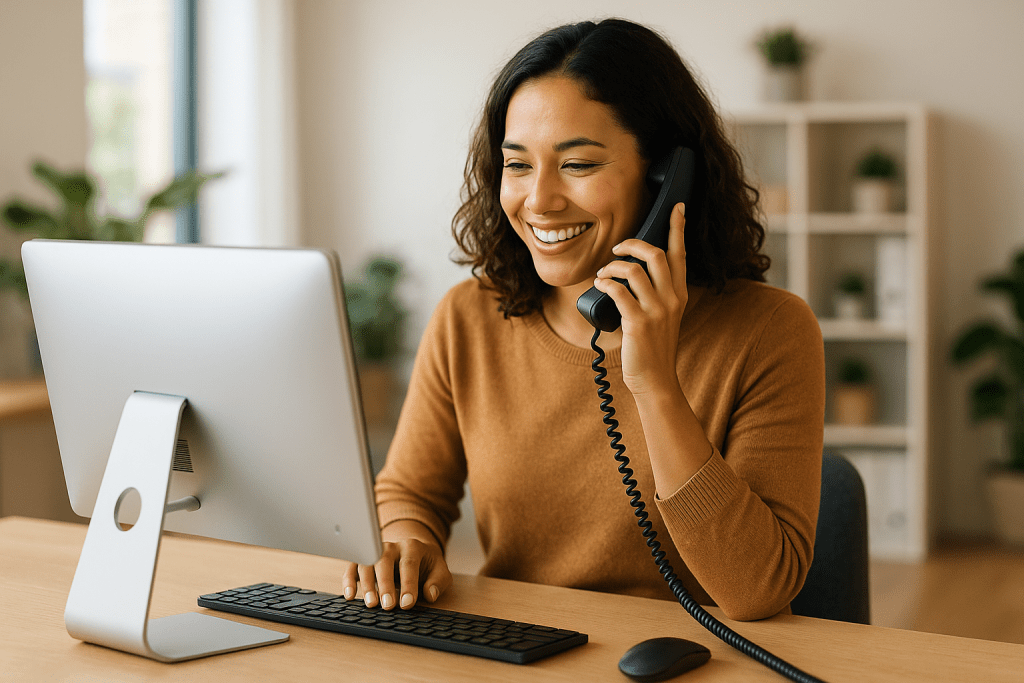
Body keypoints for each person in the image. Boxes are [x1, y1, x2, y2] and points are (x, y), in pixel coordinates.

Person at [341, 18, 825, 622]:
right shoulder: (470, 316)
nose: (539, 200)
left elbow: (759, 588)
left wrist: (653, 383)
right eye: (517, 165)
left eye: (578, 165)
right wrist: (408, 543)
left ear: (668, 179)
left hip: (685, 661)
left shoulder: (770, 330)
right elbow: (410, 492)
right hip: (518, 652)